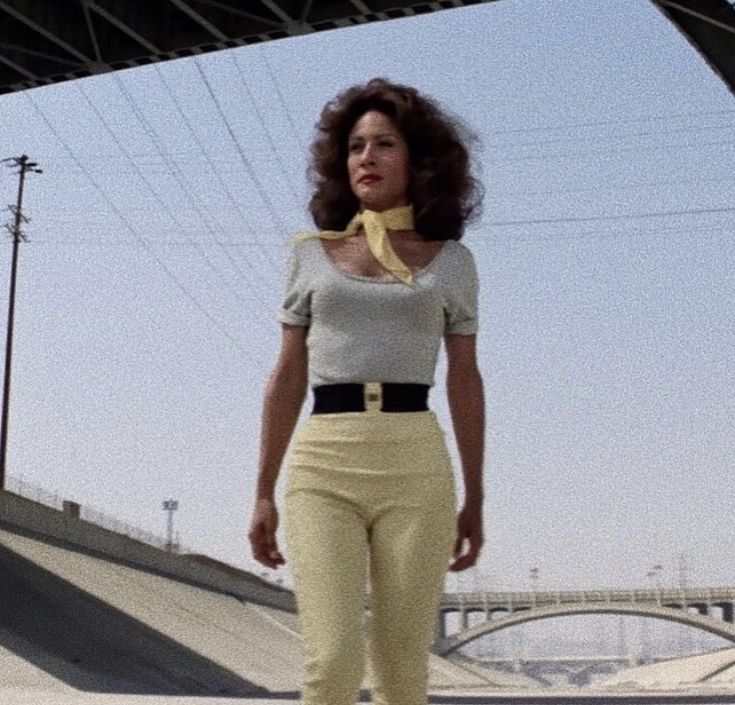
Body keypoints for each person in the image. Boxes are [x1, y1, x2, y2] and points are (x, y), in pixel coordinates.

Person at [248, 77, 485, 705]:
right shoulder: (310, 255)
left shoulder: (452, 262)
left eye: (384, 145)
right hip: (325, 459)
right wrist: (262, 492)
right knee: (330, 660)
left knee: (402, 669)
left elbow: (465, 379)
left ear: (419, 161)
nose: (366, 159)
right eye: (355, 147)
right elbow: (287, 376)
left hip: (415, 460)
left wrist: (476, 494)